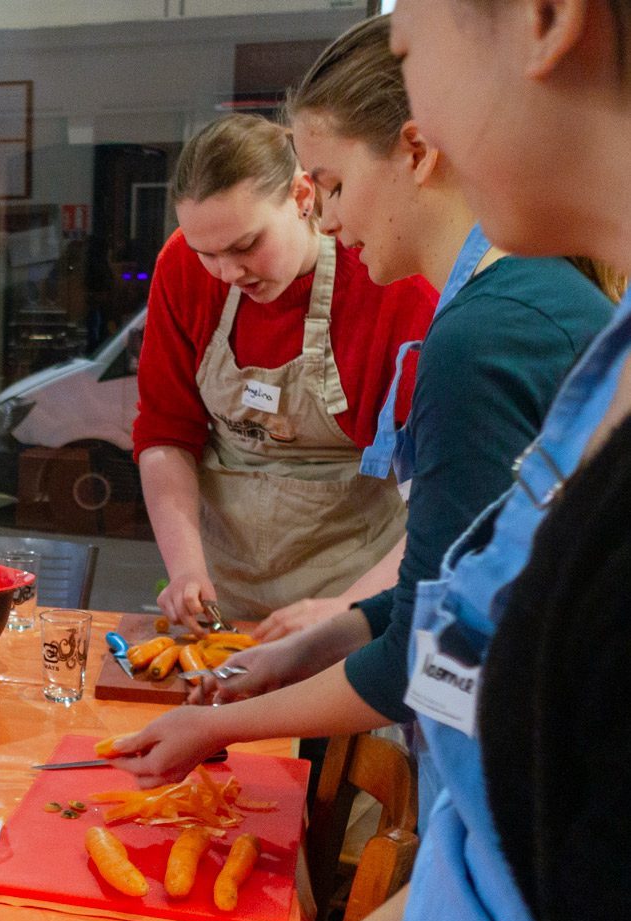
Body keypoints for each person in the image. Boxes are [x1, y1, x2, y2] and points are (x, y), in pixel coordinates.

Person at [151, 1, 631, 921]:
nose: (317, 210)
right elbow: (501, 829)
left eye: (409, 52)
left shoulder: (496, 325)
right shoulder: (594, 351)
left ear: (546, 23)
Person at [110, 15, 617, 821]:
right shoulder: (524, 302)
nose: (332, 221)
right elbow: (460, 590)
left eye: (333, 186)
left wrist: (222, 724)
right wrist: (310, 646)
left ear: (420, 150)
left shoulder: (480, 335)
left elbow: (418, 655)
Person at [133, 113, 436, 632]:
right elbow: (165, 431)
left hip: (359, 592)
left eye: (246, 246)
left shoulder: (385, 279)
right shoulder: (181, 267)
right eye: (208, 253)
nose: (228, 273)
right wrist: (185, 569)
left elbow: (439, 489)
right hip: (224, 596)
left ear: (301, 197)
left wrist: (352, 612)